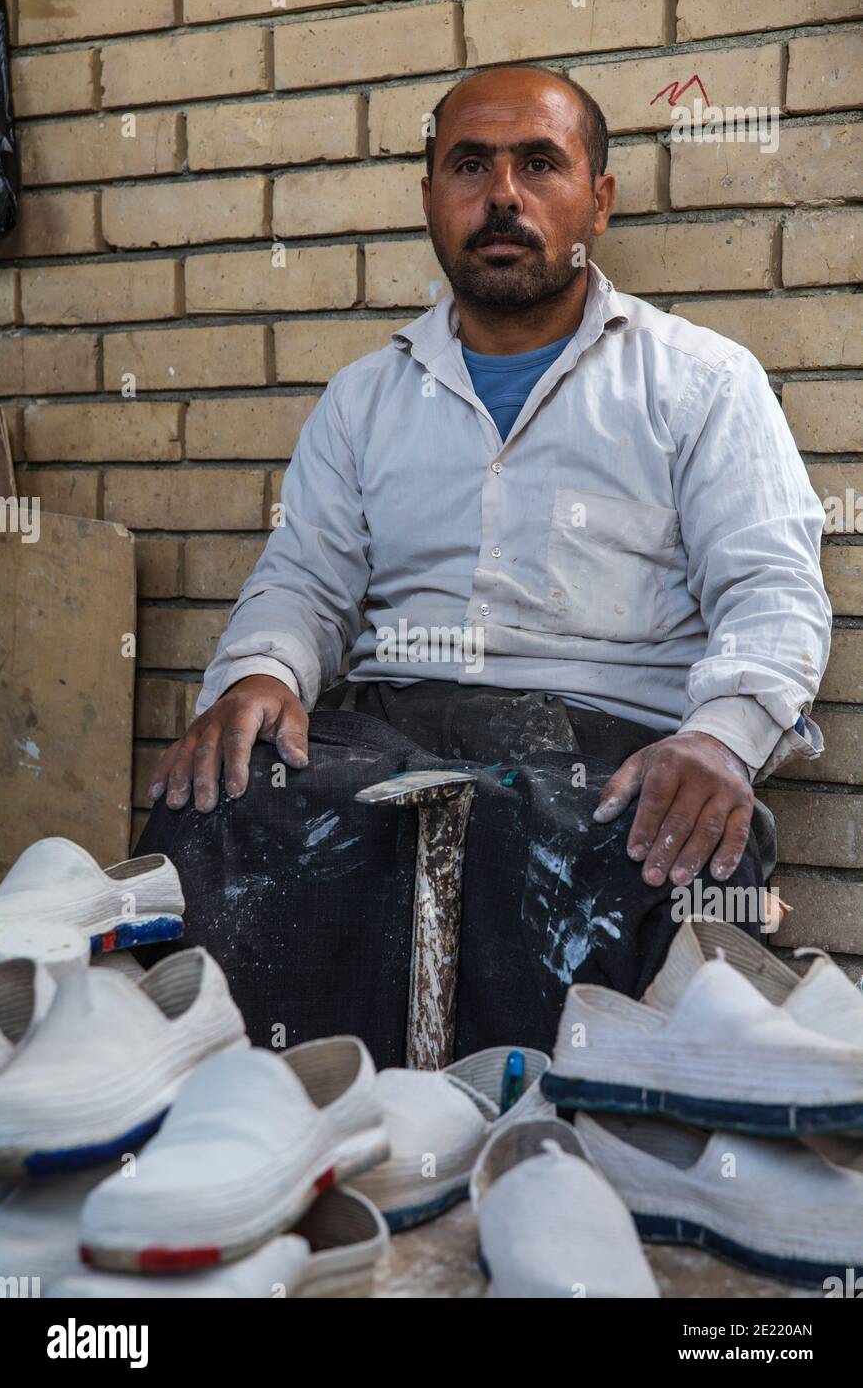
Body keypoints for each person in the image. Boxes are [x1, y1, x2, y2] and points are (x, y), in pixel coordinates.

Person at [137, 66, 831, 1066]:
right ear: (430, 198)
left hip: (607, 742)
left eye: (538, 164)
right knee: (221, 796)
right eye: (469, 165)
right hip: (389, 725)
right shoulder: (365, 399)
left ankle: (556, 1148)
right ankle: (274, 1115)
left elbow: (770, 590)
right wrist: (262, 672)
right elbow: (303, 579)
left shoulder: (700, 382)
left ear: (598, 197)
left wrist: (721, 738)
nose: (501, 195)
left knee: (671, 839)